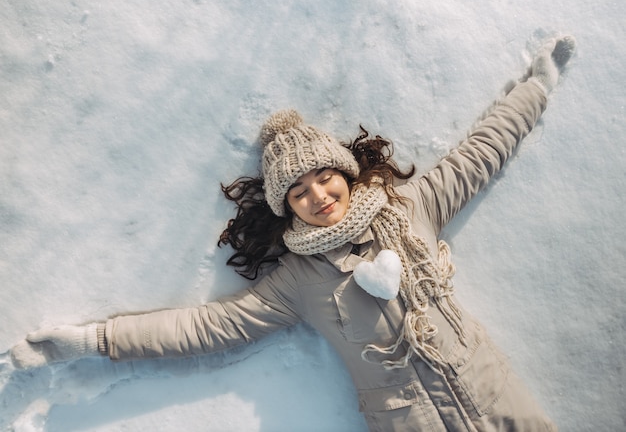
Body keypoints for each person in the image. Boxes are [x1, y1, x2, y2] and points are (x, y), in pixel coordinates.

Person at [10, 35, 576, 431]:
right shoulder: (297, 280)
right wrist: (87, 342)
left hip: (497, 394)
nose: (318, 196)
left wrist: (536, 87)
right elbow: (205, 328)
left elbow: (481, 152)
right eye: (299, 192)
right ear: (288, 209)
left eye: (325, 178)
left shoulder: (412, 207)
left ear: (346, 175)